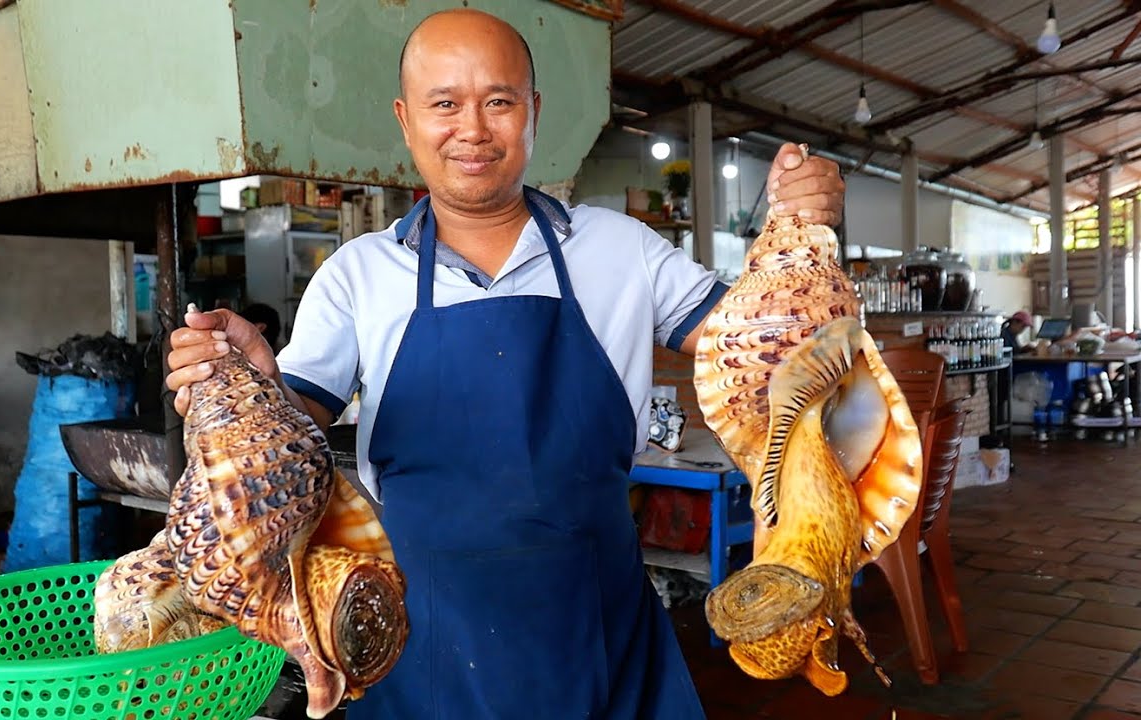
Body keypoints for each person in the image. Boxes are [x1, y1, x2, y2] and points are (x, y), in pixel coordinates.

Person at [165, 9, 846, 719]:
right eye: (444, 104)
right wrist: (245, 384)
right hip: (416, 633)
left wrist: (803, 227)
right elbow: (293, 425)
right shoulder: (359, 274)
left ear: (533, 111)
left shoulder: (621, 250)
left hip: (597, 618)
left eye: (499, 101)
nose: (473, 129)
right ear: (406, 120)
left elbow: (765, 347)